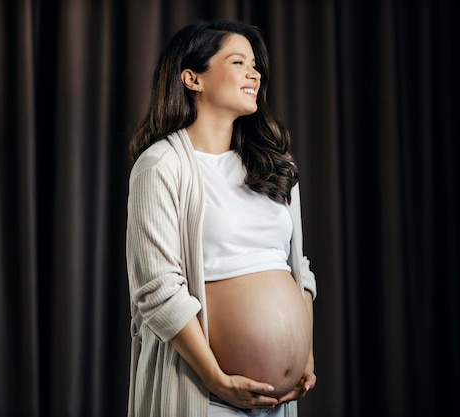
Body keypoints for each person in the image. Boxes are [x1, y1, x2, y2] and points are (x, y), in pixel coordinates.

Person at [126, 19, 317, 417]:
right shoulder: (161, 166)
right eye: (238, 62)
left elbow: (297, 269)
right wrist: (216, 378)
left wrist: (305, 355)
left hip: (280, 404)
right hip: (206, 394)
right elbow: (158, 289)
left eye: (256, 65)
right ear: (193, 79)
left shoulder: (274, 166)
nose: (255, 73)